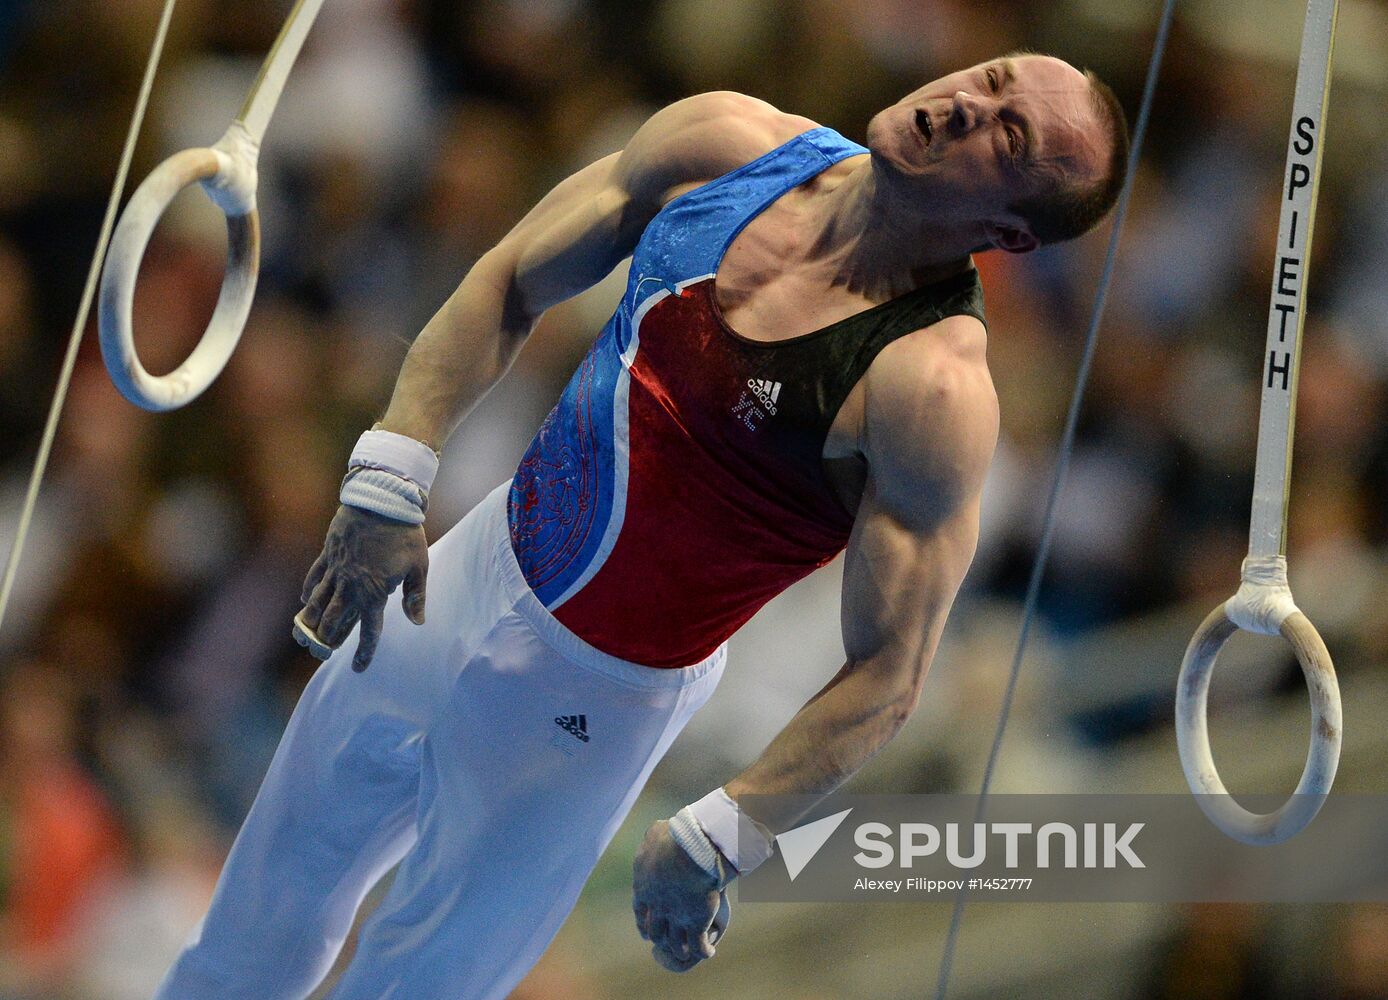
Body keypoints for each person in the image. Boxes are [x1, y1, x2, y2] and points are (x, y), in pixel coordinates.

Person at [156, 53, 1128, 999]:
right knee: (248, 931)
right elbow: (509, 279)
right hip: (464, 571)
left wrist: (728, 830)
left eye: (1007, 135)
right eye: (991, 78)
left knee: (413, 983)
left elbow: (890, 671)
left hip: (588, 705)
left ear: (1007, 231)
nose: (965, 103)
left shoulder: (929, 388)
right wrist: (391, 472)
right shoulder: (728, 141)